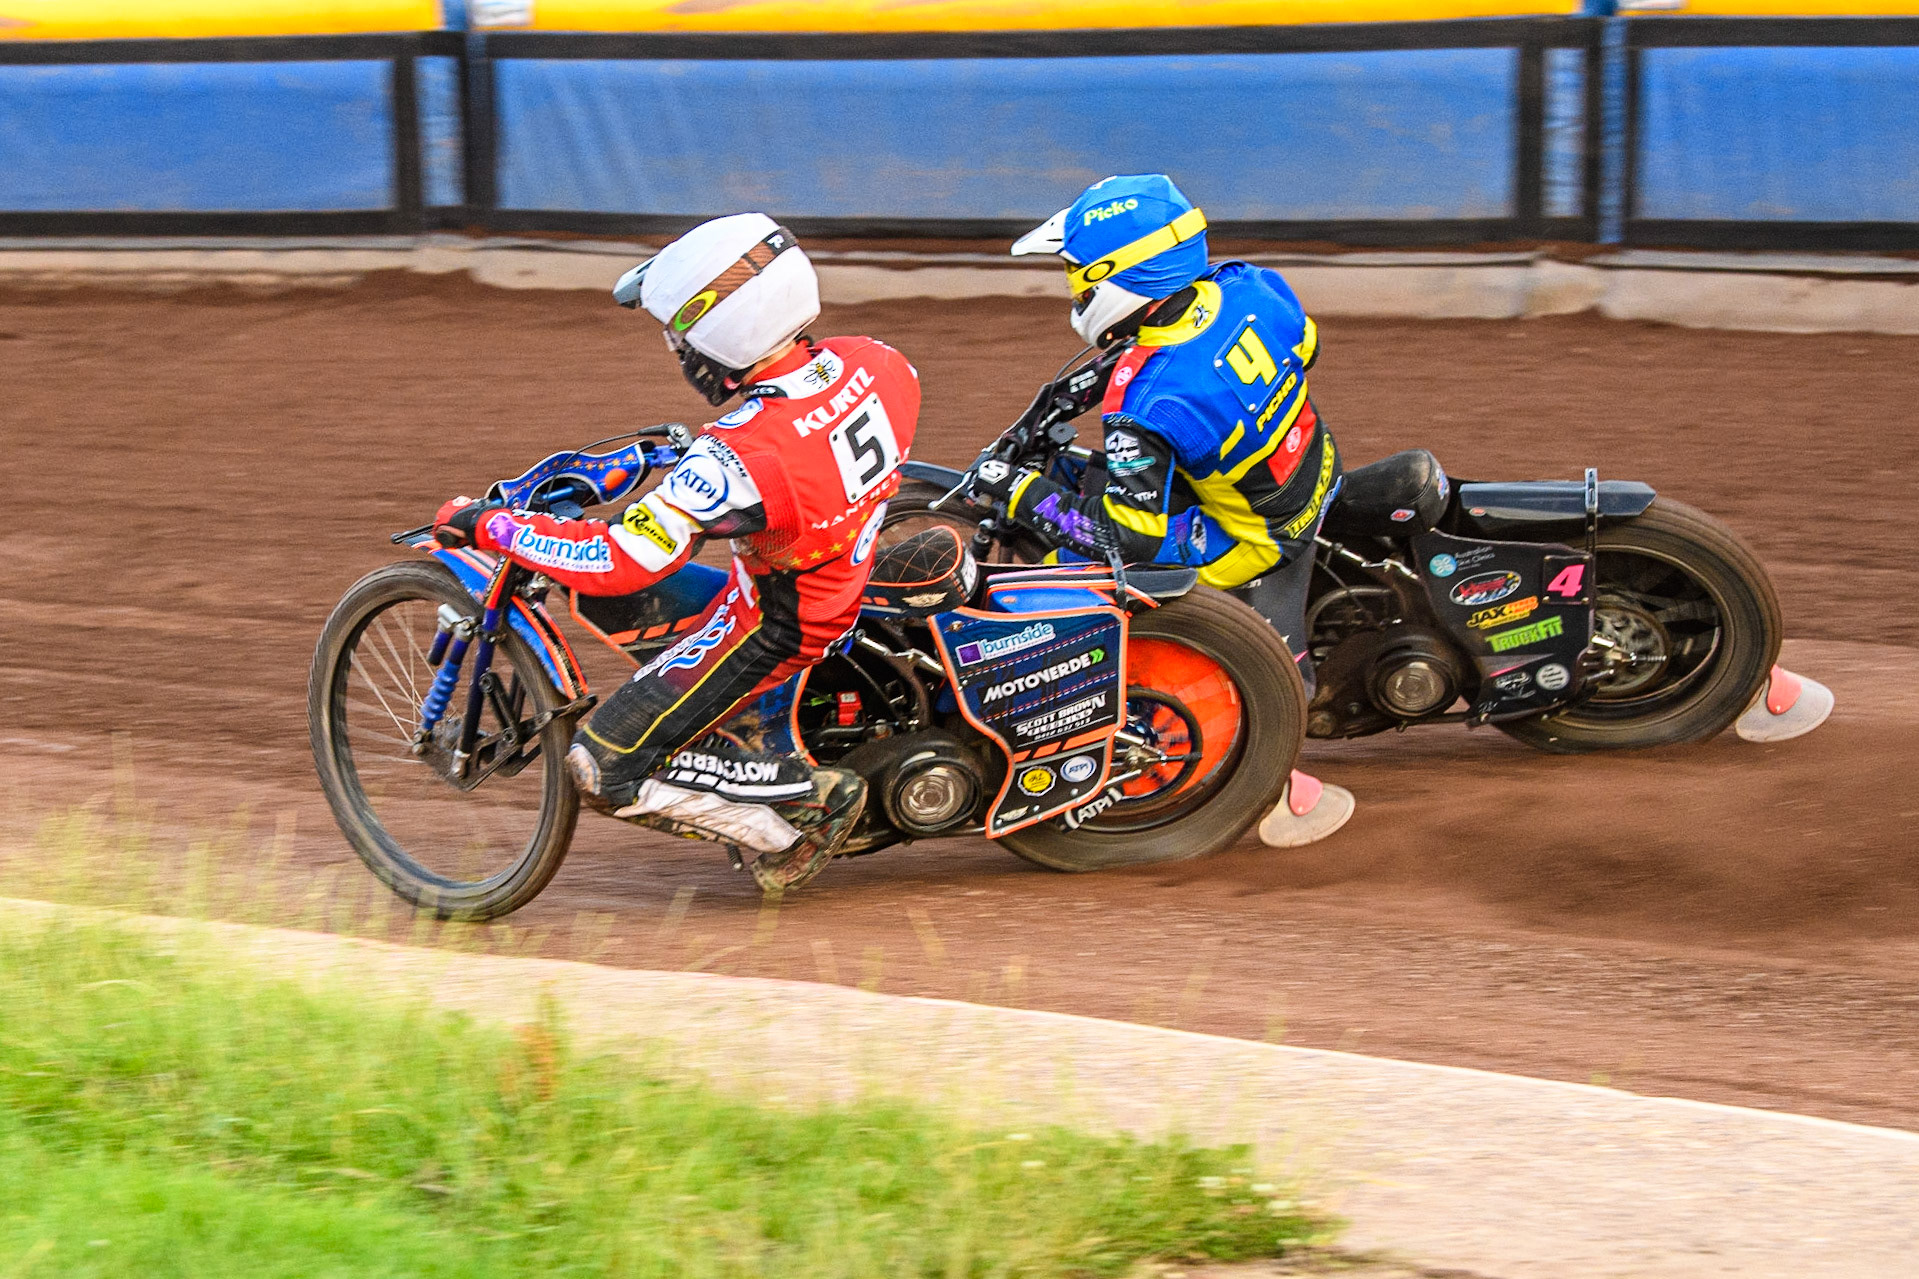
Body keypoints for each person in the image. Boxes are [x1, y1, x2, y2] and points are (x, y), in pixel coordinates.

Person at [433, 213, 921, 892]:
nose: (679, 352)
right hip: (832, 573)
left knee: (601, 767)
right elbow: (794, 437)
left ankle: (804, 809)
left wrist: (493, 526)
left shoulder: (738, 455)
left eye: (680, 337)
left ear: (720, 332)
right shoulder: (878, 362)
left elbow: (621, 561)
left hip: (773, 626)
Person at [974, 174, 1353, 847]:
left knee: (1074, 561)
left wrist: (1019, 493)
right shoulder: (1247, 285)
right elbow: (1307, 348)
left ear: (1121, 279)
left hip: (1251, 537)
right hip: (1311, 468)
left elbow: (1128, 535)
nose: (1074, 290)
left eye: (1077, 276)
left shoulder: (1147, 401)